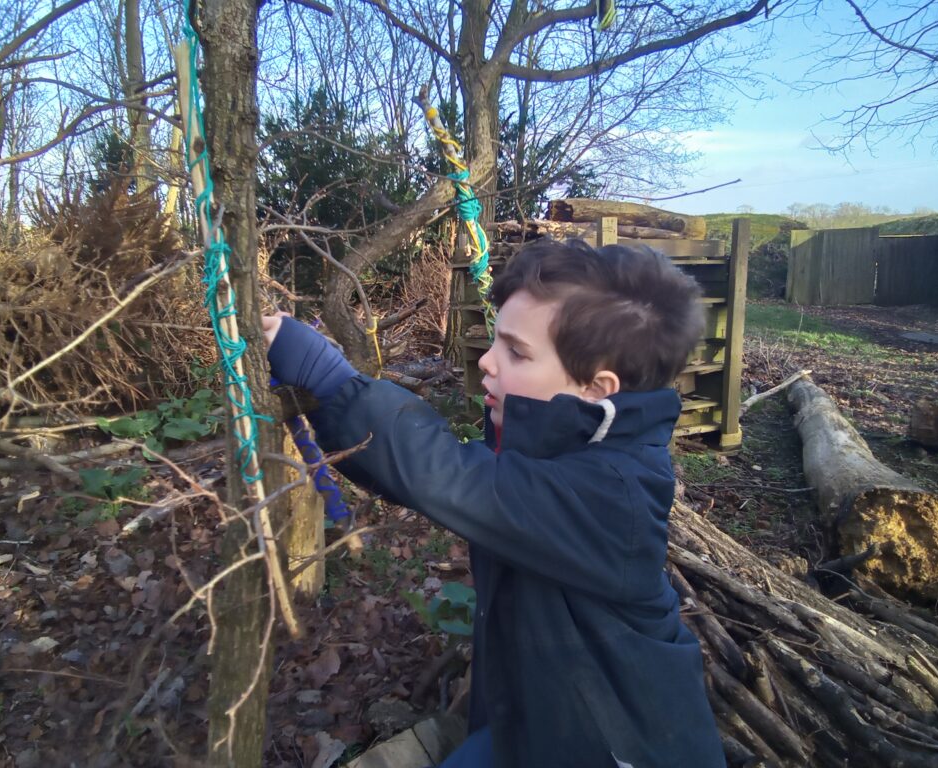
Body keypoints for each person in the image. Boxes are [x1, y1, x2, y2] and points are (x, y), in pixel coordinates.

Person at [262, 239, 725, 768]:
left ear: (598, 389)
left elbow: (448, 475)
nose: (486, 361)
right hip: (542, 720)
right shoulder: (562, 453)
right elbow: (432, 479)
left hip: (621, 744)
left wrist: (330, 376)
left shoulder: (611, 493)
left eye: (516, 351)